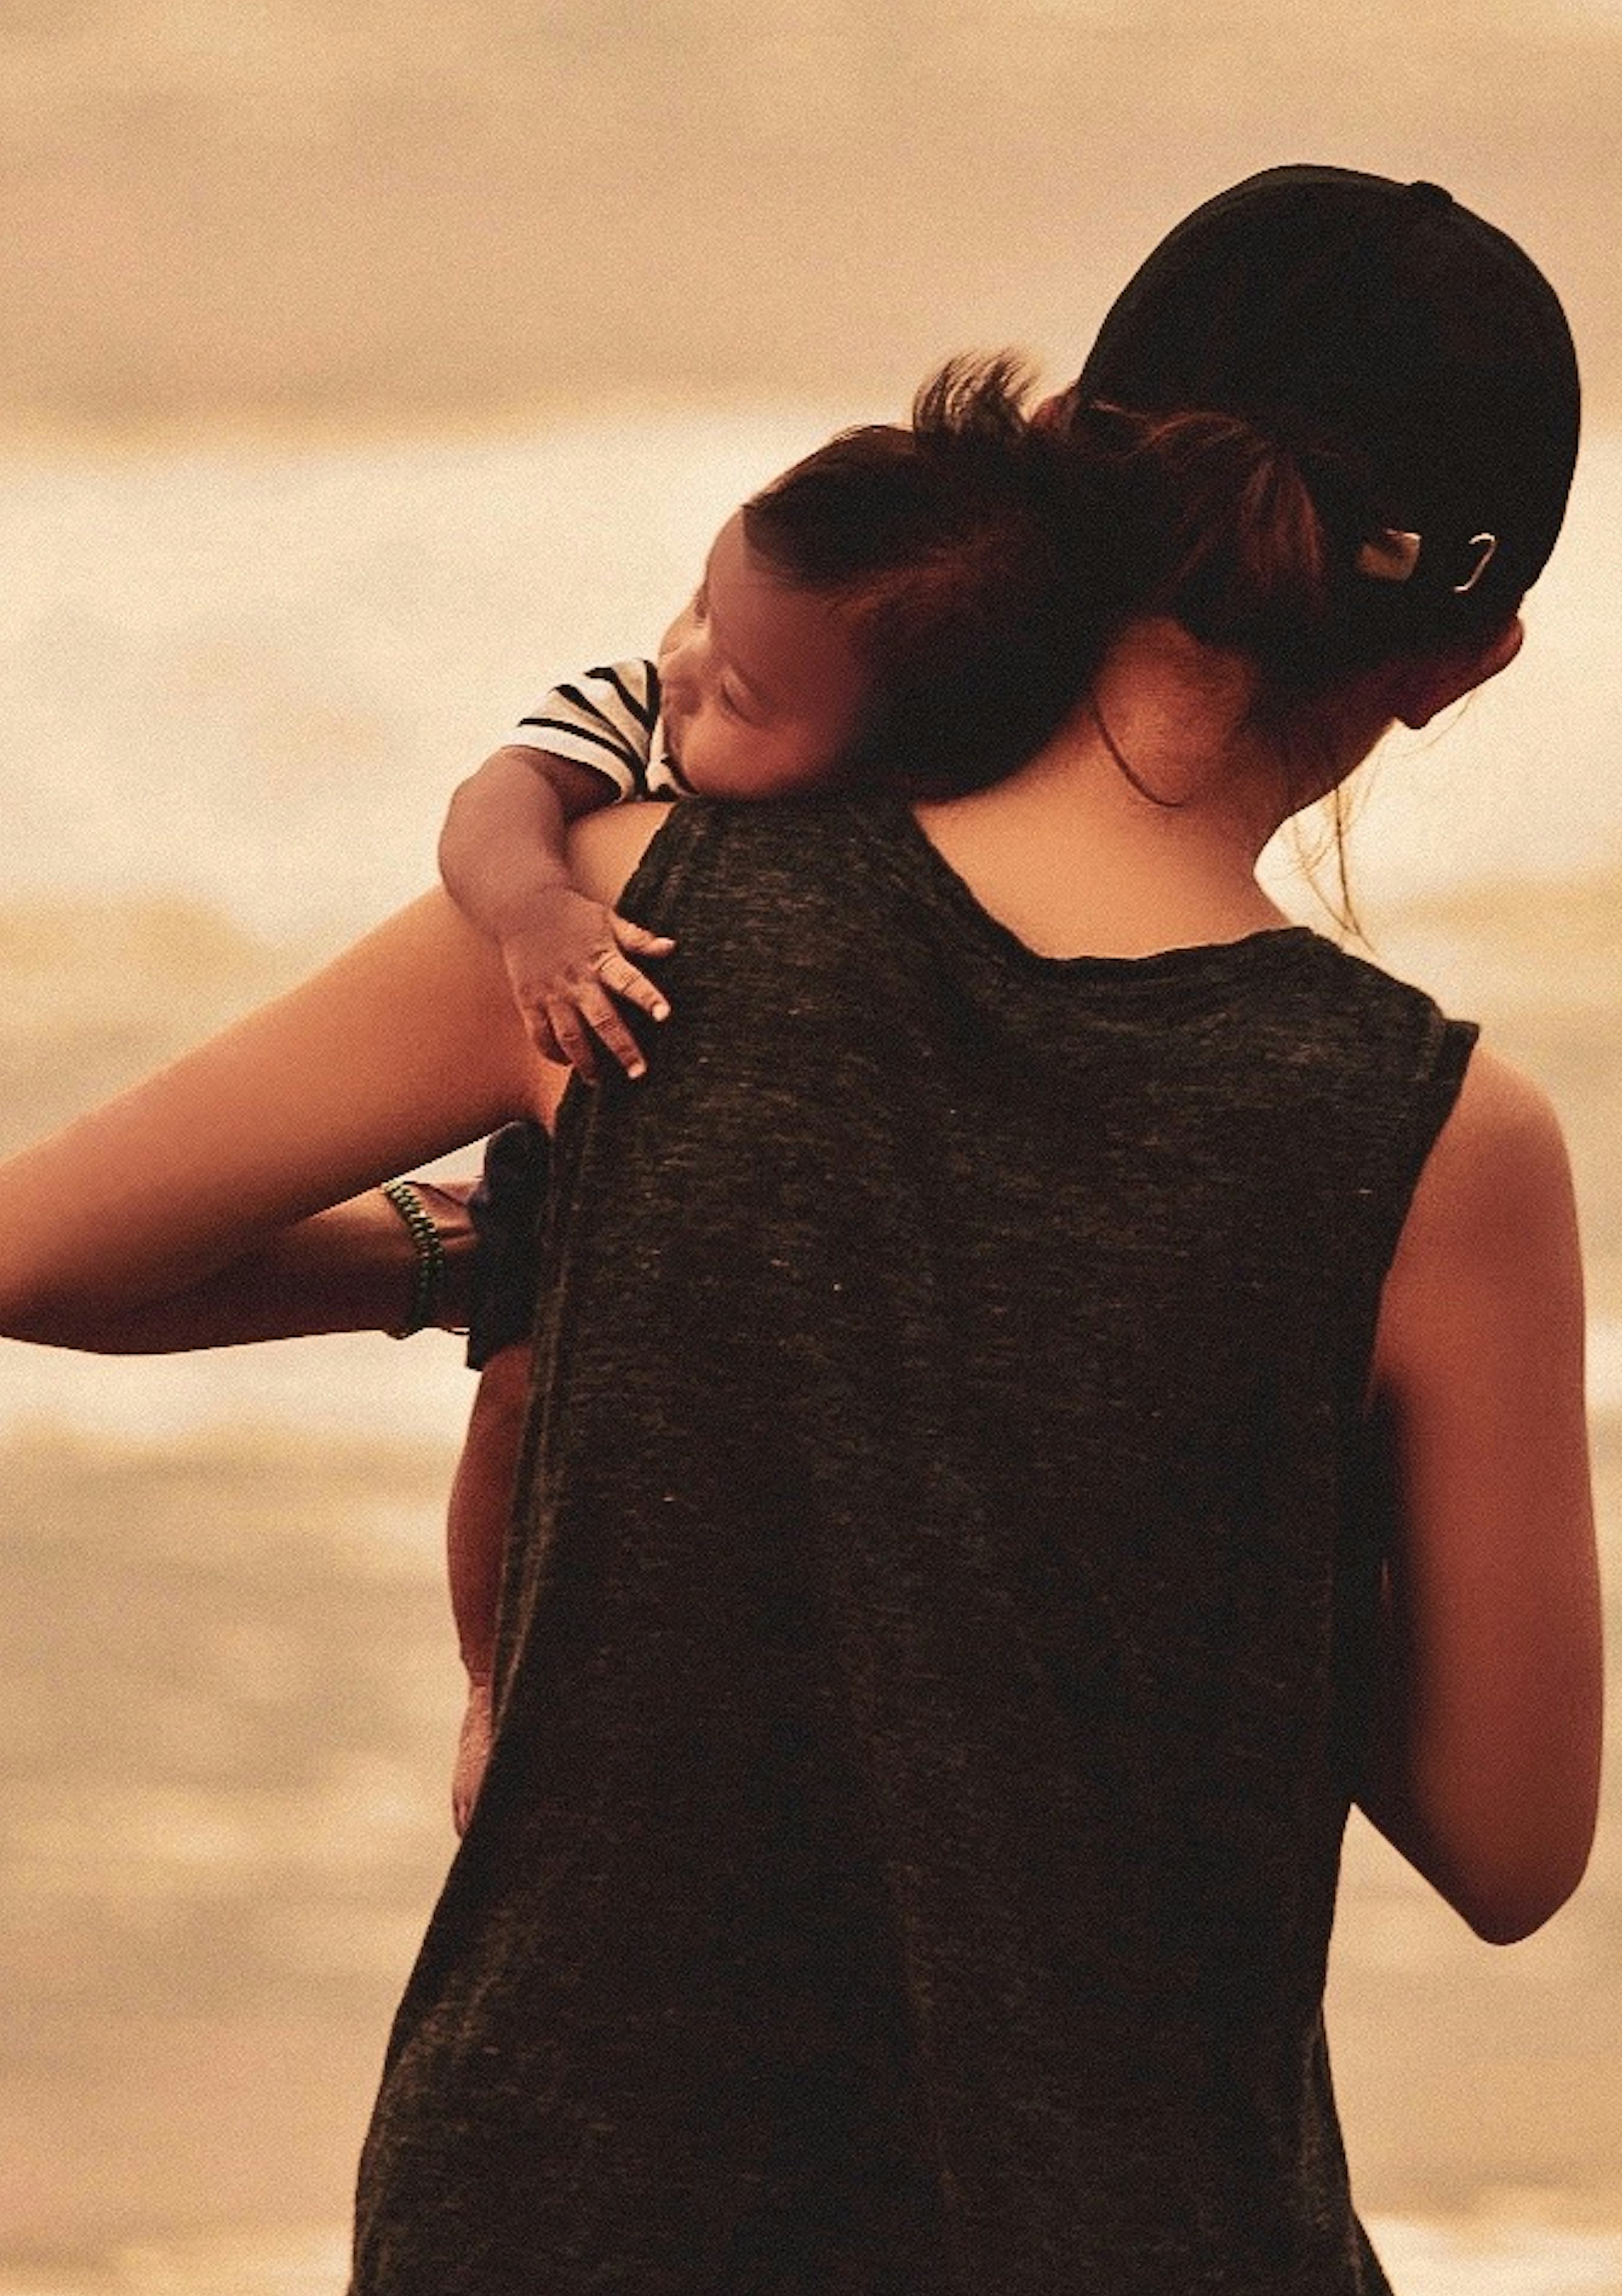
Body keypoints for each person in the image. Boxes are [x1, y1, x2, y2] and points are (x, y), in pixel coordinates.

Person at [0, 165, 1602, 2296]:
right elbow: (1513, 1841)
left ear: (1077, 461)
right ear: (1471, 655)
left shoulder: (632, 919)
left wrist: (502, 1247)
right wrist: (1198, 1449)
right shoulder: (1421, 1139)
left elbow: (31, 1254)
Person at [436, 364, 1219, 1826]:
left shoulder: (919, 828)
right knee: (518, 1401)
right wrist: (539, 910)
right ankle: (491, 1685)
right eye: (697, 608)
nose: (677, 667)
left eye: (739, 687)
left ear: (896, 759)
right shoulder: (636, 722)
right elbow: (493, 805)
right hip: (587, 1096)